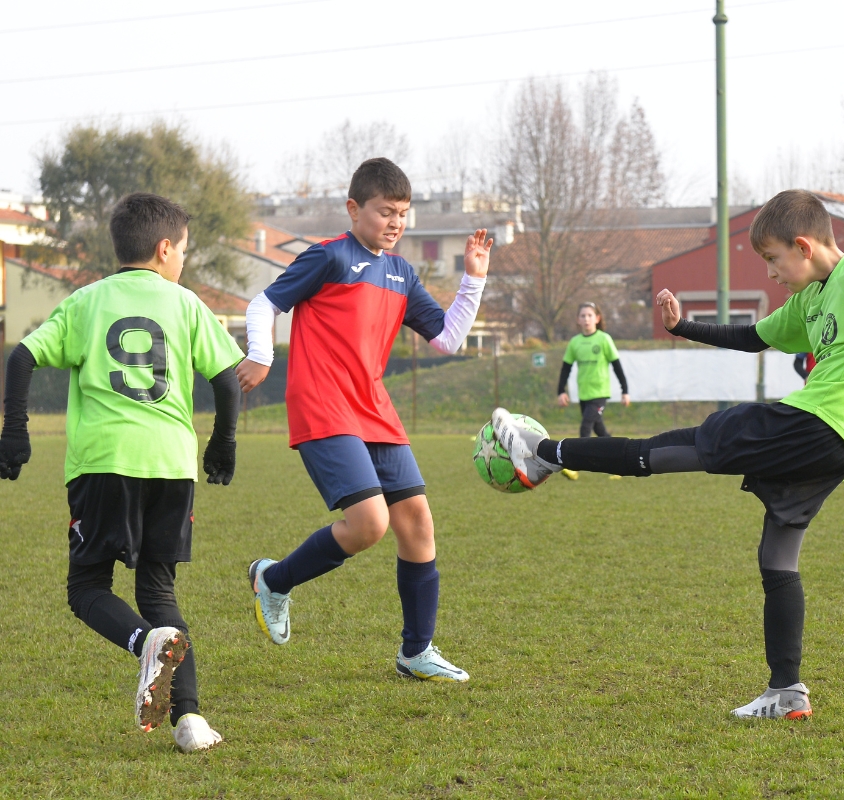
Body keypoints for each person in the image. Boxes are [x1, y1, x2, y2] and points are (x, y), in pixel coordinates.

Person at [489, 190, 844, 720]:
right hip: (838, 445)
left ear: (803, 245)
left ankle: (543, 452)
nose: (770, 273)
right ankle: (787, 691)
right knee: (777, 557)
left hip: (819, 424)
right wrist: (684, 327)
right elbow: (753, 337)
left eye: (773, 260)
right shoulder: (810, 298)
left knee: (685, 443)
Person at [0, 193, 244, 751]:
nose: (183, 260)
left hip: (104, 462)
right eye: (183, 250)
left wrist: (16, 430)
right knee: (158, 590)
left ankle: (142, 643)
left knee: (86, 587)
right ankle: (191, 722)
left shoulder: (86, 301)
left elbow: (21, 357)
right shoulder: (186, 304)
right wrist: (222, 444)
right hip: (171, 462)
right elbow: (227, 379)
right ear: (164, 249)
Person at [235, 158, 491, 682]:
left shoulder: (402, 272)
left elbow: (447, 339)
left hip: (374, 408)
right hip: (324, 404)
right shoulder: (328, 257)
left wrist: (474, 280)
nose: (395, 223)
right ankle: (275, 581)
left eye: (403, 214)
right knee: (370, 524)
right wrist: (261, 354)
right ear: (354, 209)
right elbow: (264, 303)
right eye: (384, 212)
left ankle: (415, 652)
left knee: (417, 523)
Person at [557, 302, 630, 437]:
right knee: (599, 430)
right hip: (584, 393)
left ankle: (581, 457)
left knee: (585, 427)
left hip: (599, 393)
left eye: (590, 315)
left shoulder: (604, 339)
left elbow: (617, 366)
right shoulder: (575, 342)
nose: (586, 319)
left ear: (597, 318)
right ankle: (616, 454)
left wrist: (625, 391)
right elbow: (565, 368)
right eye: (583, 316)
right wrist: (561, 391)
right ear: (578, 320)